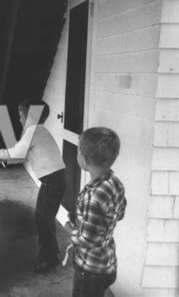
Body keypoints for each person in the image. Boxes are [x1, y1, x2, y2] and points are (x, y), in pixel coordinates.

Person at [0, 99, 66, 273]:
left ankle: (48, 259)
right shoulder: (38, 132)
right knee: (44, 219)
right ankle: (51, 254)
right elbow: (20, 157)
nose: (19, 119)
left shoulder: (33, 132)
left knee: (43, 219)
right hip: (55, 181)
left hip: (52, 182)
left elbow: (16, 152)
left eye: (21, 115)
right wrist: (1, 156)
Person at [68, 127, 126, 297]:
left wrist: (68, 229)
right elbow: (120, 213)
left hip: (90, 269)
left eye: (78, 150)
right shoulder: (114, 182)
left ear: (84, 160)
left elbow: (87, 240)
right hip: (107, 262)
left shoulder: (92, 196)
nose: (77, 153)